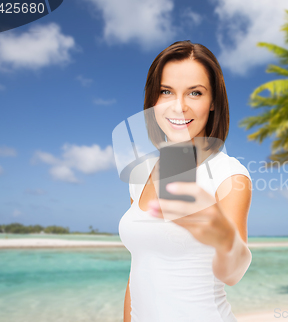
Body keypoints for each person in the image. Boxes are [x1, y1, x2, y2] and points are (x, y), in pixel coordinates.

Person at [119, 40, 253, 322]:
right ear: (153, 99)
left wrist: (223, 235)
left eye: (195, 92)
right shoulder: (139, 174)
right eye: (166, 91)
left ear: (213, 101)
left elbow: (233, 274)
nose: (179, 106)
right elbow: (138, 272)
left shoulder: (229, 175)